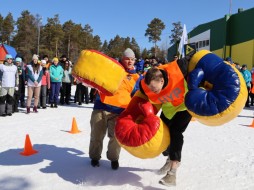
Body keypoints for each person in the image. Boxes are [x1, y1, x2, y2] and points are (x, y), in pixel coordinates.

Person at [133, 57, 191, 186]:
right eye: (150, 89)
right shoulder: (146, 85)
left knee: (175, 133)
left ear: (162, 81)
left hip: (184, 108)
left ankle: (172, 173)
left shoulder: (179, 71)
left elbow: (191, 60)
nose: (152, 91)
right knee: (164, 139)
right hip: (168, 110)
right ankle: (169, 158)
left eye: (154, 88)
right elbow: (138, 94)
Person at [89, 48, 142, 170]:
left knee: (116, 138)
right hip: (101, 106)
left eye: (132, 59)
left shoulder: (136, 77)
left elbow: (137, 96)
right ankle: (95, 157)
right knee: (96, 135)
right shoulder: (112, 69)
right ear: (122, 59)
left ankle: (114, 158)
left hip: (120, 112)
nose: (130, 61)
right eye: (127, 59)